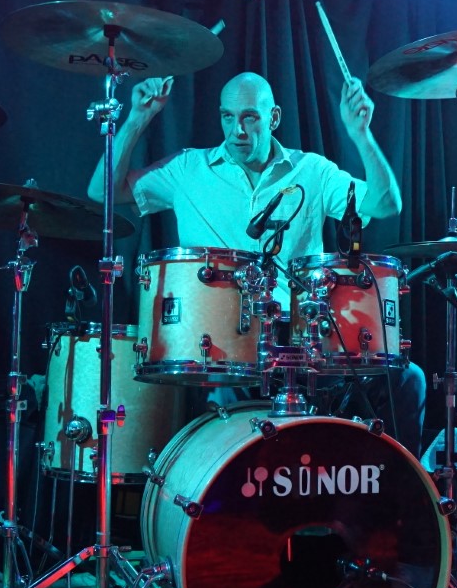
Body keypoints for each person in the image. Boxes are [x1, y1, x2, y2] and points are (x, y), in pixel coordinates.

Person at [87, 70, 426, 449]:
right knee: (222, 394)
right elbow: (103, 192)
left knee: (407, 379)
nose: (237, 131)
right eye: (227, 117)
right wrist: (137, 118)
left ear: (274, 117)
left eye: (249, 117)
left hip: (301, 340)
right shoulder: (187, 168)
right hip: (220, 345)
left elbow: (385, 204)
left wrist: (361, 134)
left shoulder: (311, 170)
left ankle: (395, 483)